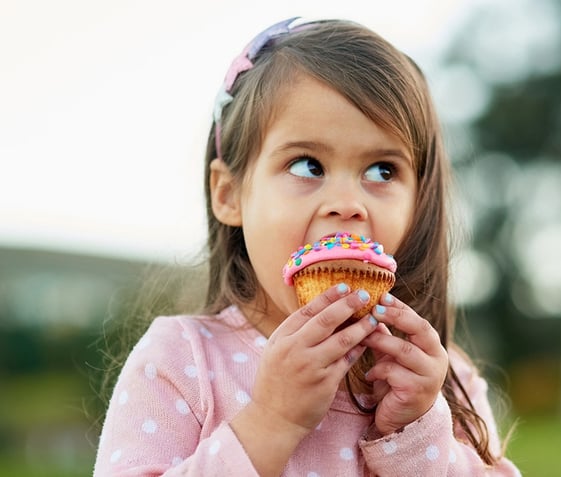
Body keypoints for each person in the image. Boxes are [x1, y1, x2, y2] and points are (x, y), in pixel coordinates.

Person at [94, 16, 520, 476]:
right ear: (229, 193)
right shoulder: (182, 359)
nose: (346, 204)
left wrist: (417, 432)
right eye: (307, 165)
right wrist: (271, 422)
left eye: (382, 171)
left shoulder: (437, 378)